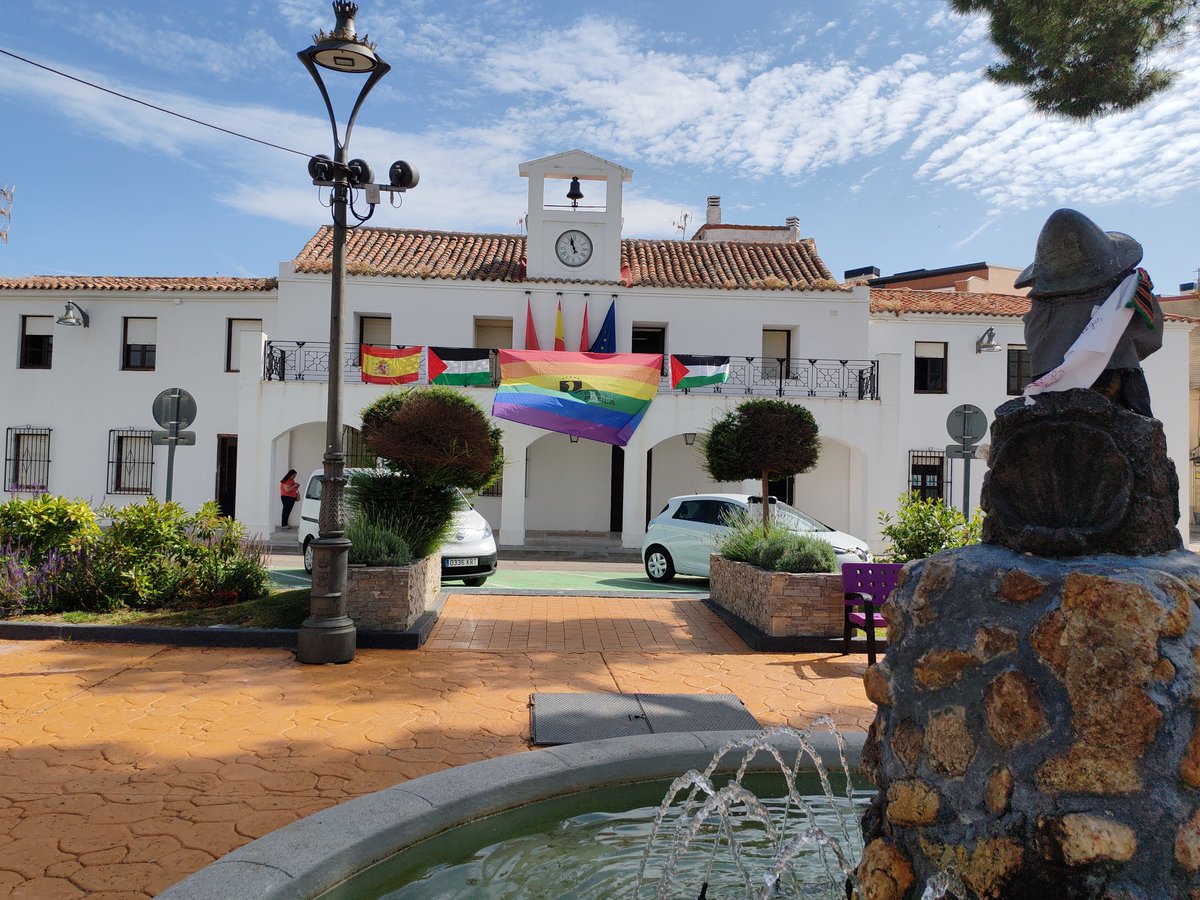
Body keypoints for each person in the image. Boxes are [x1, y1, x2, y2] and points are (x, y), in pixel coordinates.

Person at [1017, 208, 1163, 416]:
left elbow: (1034, 344)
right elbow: (1151, 338)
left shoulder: (1041, 304)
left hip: (1049, 381)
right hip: (1118, 377)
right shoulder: (1126, 286)